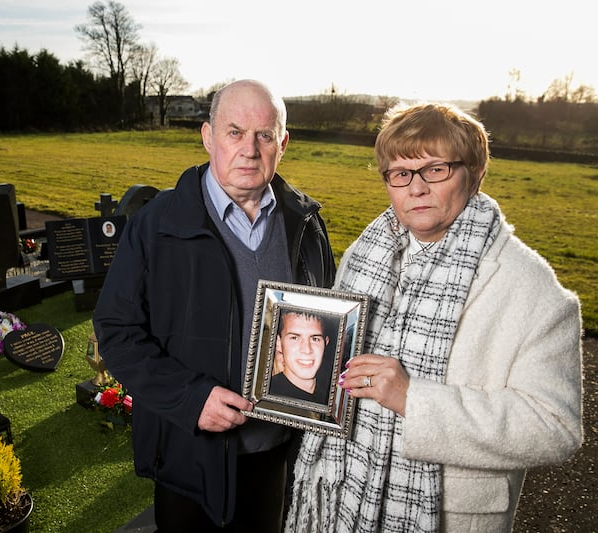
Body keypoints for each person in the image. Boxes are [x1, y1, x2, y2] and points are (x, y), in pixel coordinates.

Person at [284, 102, 583, 532]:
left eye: (435, 169)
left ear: (476, 174)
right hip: (341, 495)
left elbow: (554, 428)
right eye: (400, 173)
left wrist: (414, 399)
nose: (416, 188)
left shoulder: (530, 287)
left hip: (446, 514)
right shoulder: (363, 256)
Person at [92, 79, 335, 532]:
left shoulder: (305, 223)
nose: (249, 149)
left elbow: (326, 324)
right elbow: (116, 330)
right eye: (235, 131)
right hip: (190, 454)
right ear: (208, 137)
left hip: (277, 452)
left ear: (282, 144)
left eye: (264, 135)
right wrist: (190, 397)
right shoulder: (157, 225)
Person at [270, 310, 330, 403]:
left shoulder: (333, 397)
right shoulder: (266, 395)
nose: (307, 350)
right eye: (294, 338)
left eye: (315, 339)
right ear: (278, 343)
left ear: (326, 343)